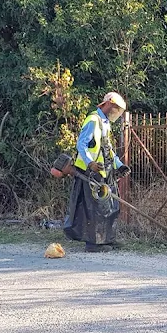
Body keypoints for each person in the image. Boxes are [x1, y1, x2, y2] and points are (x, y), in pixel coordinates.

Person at [62, 92, 131, 252]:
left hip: (103, 172)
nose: (116, 112)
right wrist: (90, 163)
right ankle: (93, 243)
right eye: (115, 108)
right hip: (89, 172)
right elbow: (82, 144)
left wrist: (119, 165)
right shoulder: (93, 120)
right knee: (94, 209)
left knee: (110, 207)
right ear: (107, 104)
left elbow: (107, 149)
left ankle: (107, 239)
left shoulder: (105, 123)